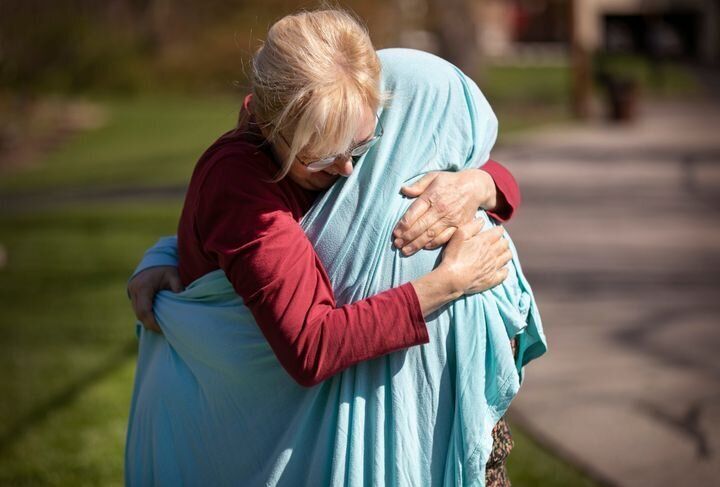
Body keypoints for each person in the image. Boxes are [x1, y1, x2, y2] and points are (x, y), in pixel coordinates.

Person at [126, 10, 545, 486]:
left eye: (362, 148)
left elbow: (499, 177)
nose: (347, 170)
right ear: (267, 122)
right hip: (239, 439)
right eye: (325, 156)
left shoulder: (334, 118)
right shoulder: (243, 184)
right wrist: (447, 283)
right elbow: (311, 346)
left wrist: (478, 185)